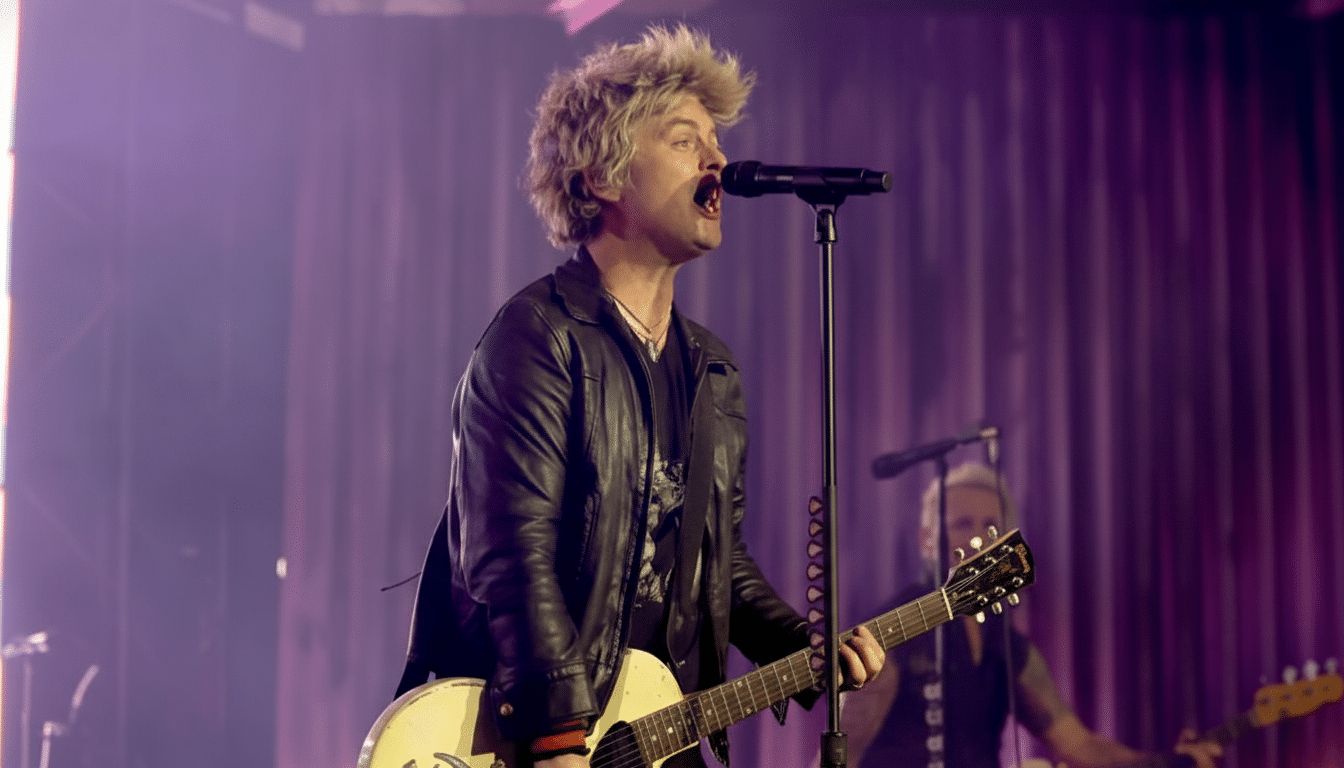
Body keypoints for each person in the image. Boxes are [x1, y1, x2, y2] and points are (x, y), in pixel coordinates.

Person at [395, 25, 884, 768]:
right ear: (602, 175)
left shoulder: (710, 371)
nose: (718, 161)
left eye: (716, 141)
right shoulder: (537, 338)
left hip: (652, 732)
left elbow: (720, 564)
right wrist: (557, 740)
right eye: (687, 141)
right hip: (538, 734)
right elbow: (510, 556)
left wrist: (809, 650)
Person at [839, 462, 1223, 768]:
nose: (979, 539)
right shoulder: (892, 630)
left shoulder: (1006, 643)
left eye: (991, 527)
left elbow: (1078, 744)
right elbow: (844, 755)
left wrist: (1167, 761)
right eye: (962, 524)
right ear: (927, 540)